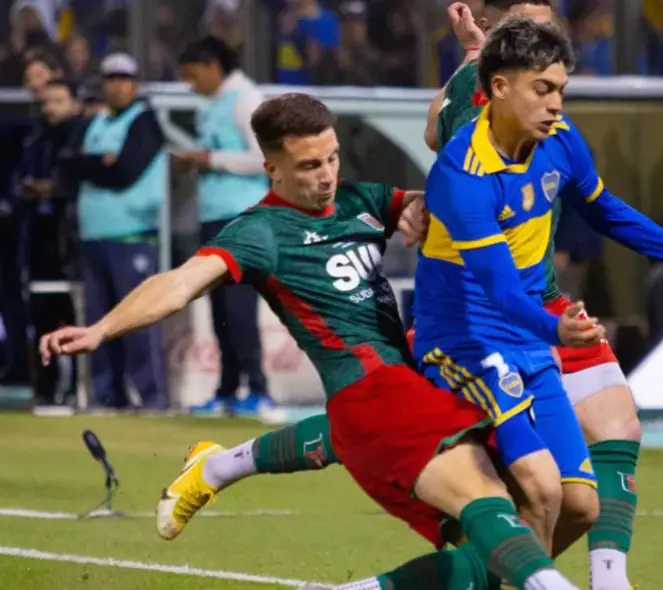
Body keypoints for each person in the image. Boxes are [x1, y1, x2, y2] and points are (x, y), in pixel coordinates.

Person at [40, 93, 581, 590]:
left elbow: (445, 198)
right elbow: (178, 284)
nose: (326, 176)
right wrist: (100, 329)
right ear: (271, 168)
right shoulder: (260, 233)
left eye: (332, 158)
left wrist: (423, 206)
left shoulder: (362, 201)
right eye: (308, 166)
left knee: (480, 558)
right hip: (371, 393)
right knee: (490, 504)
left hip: (408, 384)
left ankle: (218, 469)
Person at [416, 16, 663, 590]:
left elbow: (606, 209)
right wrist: (555, 331)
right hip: (467, 340)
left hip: (533, 333)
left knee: (581, 507)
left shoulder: (560, 140)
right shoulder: (461, 173)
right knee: (540, 489)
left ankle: (471, 570)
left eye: (561, 89)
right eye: (543, 89)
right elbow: (498, 289)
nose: (555, 103)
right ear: (498, 86)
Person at [59, 53, 169, 410]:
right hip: (94, 237)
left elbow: (125, 171)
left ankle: (152, 397)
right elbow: (67, 162)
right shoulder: (97, 121)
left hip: (133, 235)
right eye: (110, 78)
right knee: (97, 324)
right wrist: (98, 163)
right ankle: (108, 396)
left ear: (135, 83)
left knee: (139, 319)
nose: (116, 84)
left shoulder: (146, 121)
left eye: (123, 78)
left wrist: (91, 165)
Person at [176, 36, 273, 416]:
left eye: (192, 75)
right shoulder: (209, 105)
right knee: (218, 308)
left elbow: (263, 157)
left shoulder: (247, 99)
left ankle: (260, 389)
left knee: (239, 307)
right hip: (212, 215)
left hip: (241, 215)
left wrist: (211, 158)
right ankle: (228, 389)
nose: (190, 84)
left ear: (213, 66)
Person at [18, 77, 87, 406]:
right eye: (47, 101)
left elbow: (79, 183)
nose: (51, 108)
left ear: (75, 104)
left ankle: (77, 386)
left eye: (59, 100)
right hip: (39, 236)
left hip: (71, 238)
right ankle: (45, 389)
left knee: (74, 317)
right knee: (41, 315)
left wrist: (54, 189)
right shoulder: (34, 138)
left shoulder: (81, 137)